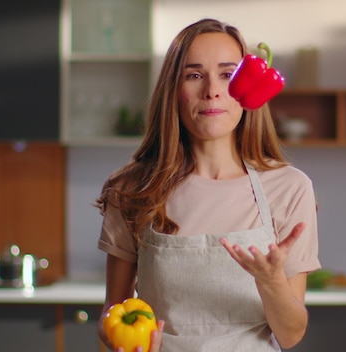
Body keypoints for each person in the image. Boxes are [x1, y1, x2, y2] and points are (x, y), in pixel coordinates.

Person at [96, 18, 320, 352]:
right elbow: (112, 316)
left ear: (246, 88)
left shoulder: (289, 188)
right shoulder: (132, 189)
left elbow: (290, 335)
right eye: (194, 75)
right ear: (174, 90)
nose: (212, 90)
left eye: (228, 74)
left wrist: (271, 282)